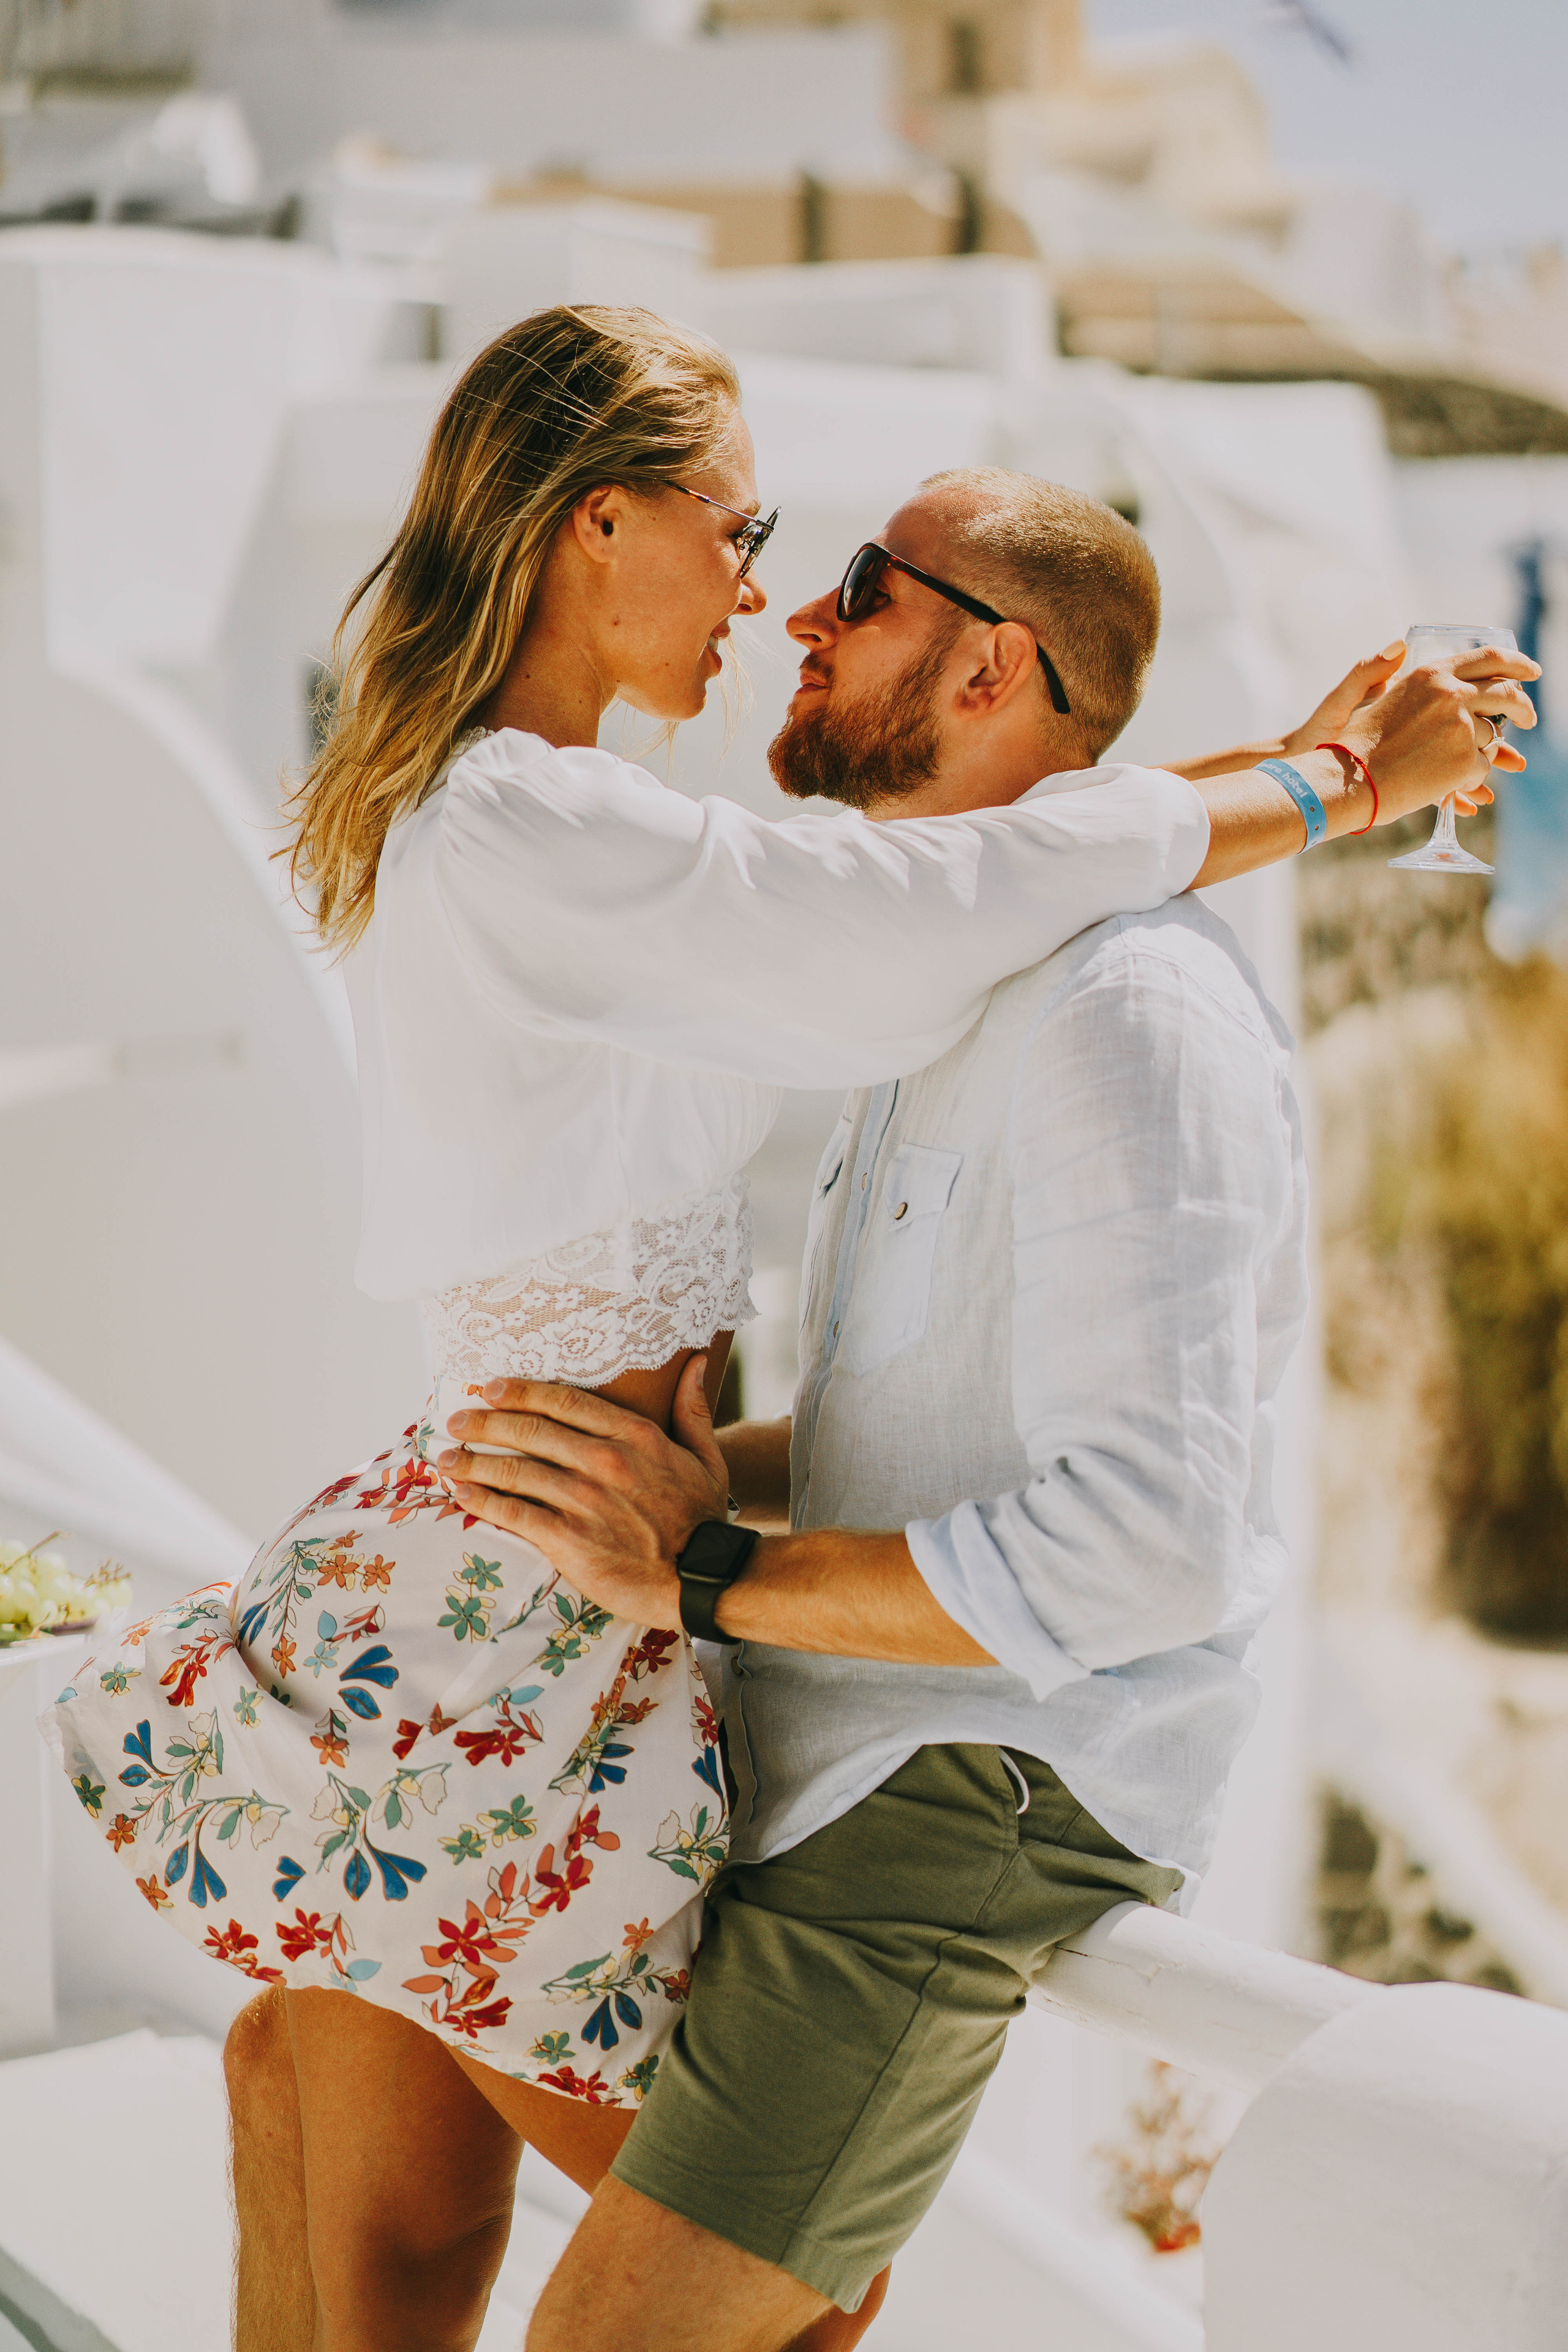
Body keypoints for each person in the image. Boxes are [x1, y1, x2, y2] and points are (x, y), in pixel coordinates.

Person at [42, 296, 1529, 2352]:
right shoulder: (532, 825)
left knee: (362, 2191)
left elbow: (967, 877)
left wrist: (1285, 773)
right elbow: (921, 904)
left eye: (818, 567)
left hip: (558, 1575)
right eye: (749, 537)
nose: (770, 599)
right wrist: (1330, 783)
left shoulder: (604, 834)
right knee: (477, 2217)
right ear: (595, 529)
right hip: (538, 1593)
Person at [434, 478, 1533, 2352]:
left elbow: (1148, 1542)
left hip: (963, 1795)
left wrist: (690, 1570)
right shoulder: (949, 988)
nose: (802, 617)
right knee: (347, 2020)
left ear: (993, 665)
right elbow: (936, 1411)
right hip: (826, 1745)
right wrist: (707, 1477)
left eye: (859, 588)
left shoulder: (1127, 1019)